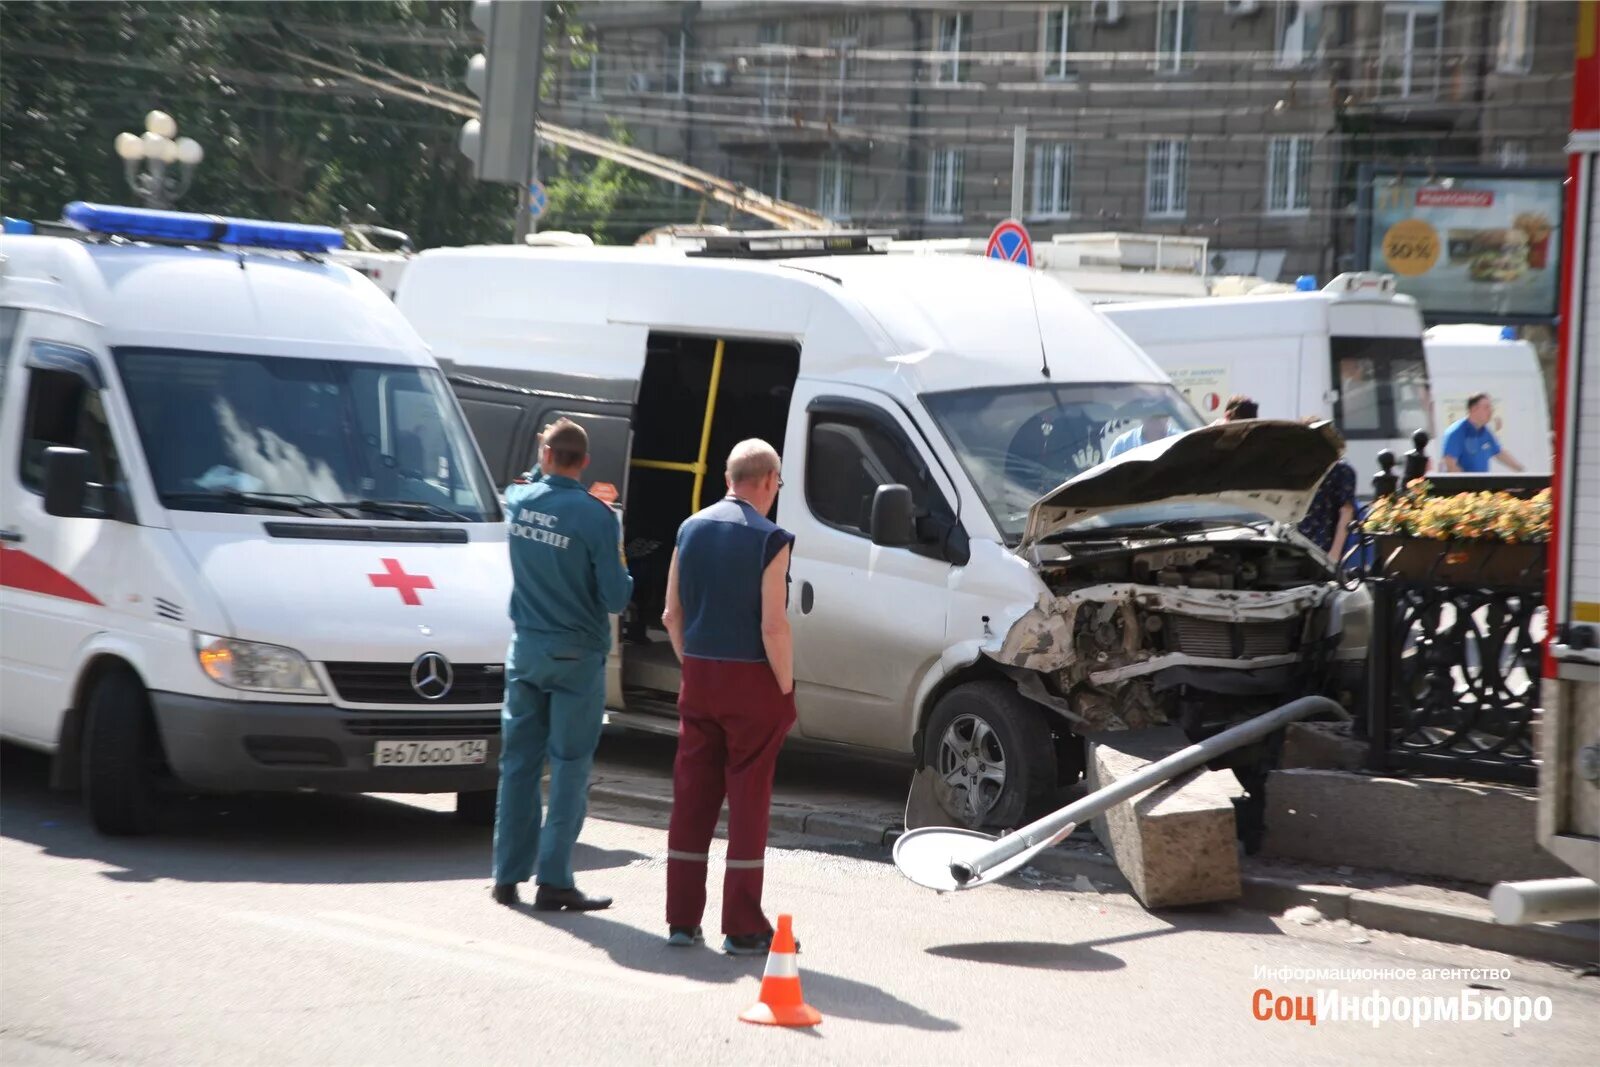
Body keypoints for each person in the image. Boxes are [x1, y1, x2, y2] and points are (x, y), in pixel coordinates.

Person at [661, 439, 796, 955]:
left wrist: (692, 664)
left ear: (726, 478)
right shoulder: (771, 539)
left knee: (691, 798)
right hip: (753, 683)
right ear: (766, 481)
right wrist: (784, 688)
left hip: (698, 677)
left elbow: (672, 615)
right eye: (777, 484)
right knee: (748, 803)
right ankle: (741, 925)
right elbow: (773, 625)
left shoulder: (688, 530)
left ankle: (680, 920)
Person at [492, 418, 633, 911]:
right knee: (570, 768)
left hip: (525, 650)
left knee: (519, 765)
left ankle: (506, 876)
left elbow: (532, 480)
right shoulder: (596, 516)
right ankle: (553, 880)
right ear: (586, 462)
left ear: (545, 454)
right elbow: (616, 597)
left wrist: (543, 456)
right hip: (575, 657)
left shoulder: (517, 498)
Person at [1298, 422, 1357, 563]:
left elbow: (1346, 511)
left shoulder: (1341, 469)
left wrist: (1334, 553)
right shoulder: (1305, 467)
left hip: (1323, 544)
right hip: (1299, 541)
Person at [1440, 393, 1525, 473]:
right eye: (1486, 407)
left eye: (1491, 407)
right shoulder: (1456, 432)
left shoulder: (1485, 432)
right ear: (1473, 409)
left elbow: (1500, 453)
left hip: (1481, 486)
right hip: (1461, 487)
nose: (1491, 411)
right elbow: (1450, 464)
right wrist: (1468, 485)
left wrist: (1522, 471)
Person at [1106, 413, 1179, 459]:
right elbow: (1106, 478)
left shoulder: (1181, 440)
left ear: (1168, 416)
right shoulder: (1122, 445)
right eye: (1149, 411)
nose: (1154, 416)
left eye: (1159, 412)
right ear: (1141, 415)